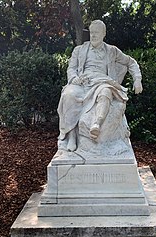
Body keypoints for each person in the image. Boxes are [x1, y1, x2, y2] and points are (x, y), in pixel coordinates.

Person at [57, 20, 142, 152]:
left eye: (97, 33)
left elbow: (131, 62)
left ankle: (96, 124)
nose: (93, 36)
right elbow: (71, 68)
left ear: (104, 34)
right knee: (68, 94)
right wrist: (74, 79)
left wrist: (137, 79)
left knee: (106, 92)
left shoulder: (112, 51)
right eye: (91, 33)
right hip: (82, 83)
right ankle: (72, 135)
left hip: (103, 82)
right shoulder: (79, 50)